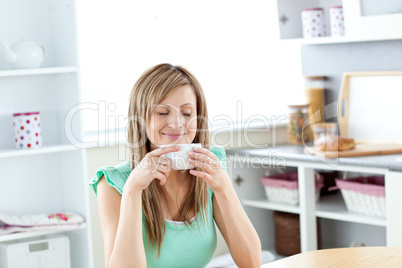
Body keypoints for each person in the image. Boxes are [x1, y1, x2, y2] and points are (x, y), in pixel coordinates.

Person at [89, 63, 261, 268]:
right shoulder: (113, 184)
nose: (177, 123)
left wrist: (224, 188)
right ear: (141, 119)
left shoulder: (210, 170)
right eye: (162, 112)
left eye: (187, 113)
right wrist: (133, 191)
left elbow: (251, 262)